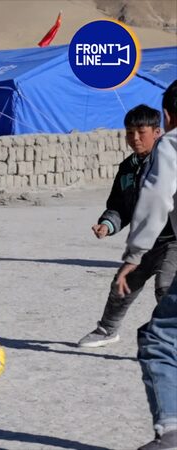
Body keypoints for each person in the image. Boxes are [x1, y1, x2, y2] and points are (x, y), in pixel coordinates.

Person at [77, 104, 172, 348]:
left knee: (166, 286)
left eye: (141, 132)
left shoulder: (169, 163)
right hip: (144, 242)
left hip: (173, 240)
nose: (135, 138)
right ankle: (107, 330)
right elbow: (119, 206)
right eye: (130, 132)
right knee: (122, 284)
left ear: (157, 132)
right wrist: (107, 225)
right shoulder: (127, 168)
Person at [117, 80, 177, 450]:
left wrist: (133, 255)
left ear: (167, 118)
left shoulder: (172, 143)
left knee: (159, 339)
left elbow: (156, 198)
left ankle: (170, 434)